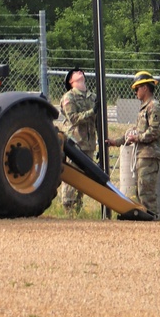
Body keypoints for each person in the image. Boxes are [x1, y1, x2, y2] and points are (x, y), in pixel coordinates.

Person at [117, 70, 160, 219]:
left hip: (150, 155)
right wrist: (116, 141)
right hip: (143, 155)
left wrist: (137, 138)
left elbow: (154, 131)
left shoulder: (154, 107)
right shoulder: (144, 108)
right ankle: (146, 220)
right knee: (141, 191)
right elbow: (136, 130)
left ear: (145, 88)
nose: (135, 92)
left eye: (137, 89)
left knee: (147, 193)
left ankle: (152, 219)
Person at [57, 67, 98, 214]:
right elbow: (73, 118)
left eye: (81, 72)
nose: (80, 72)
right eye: (75, 73)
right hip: (75, 143)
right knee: (72, 176)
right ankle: (68, 209)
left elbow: (98, 122)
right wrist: (92, 112)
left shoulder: (92, 97)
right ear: (71, 81)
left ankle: (78, 209)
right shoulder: (69, 97)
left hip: (89, 143)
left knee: (83, 179)